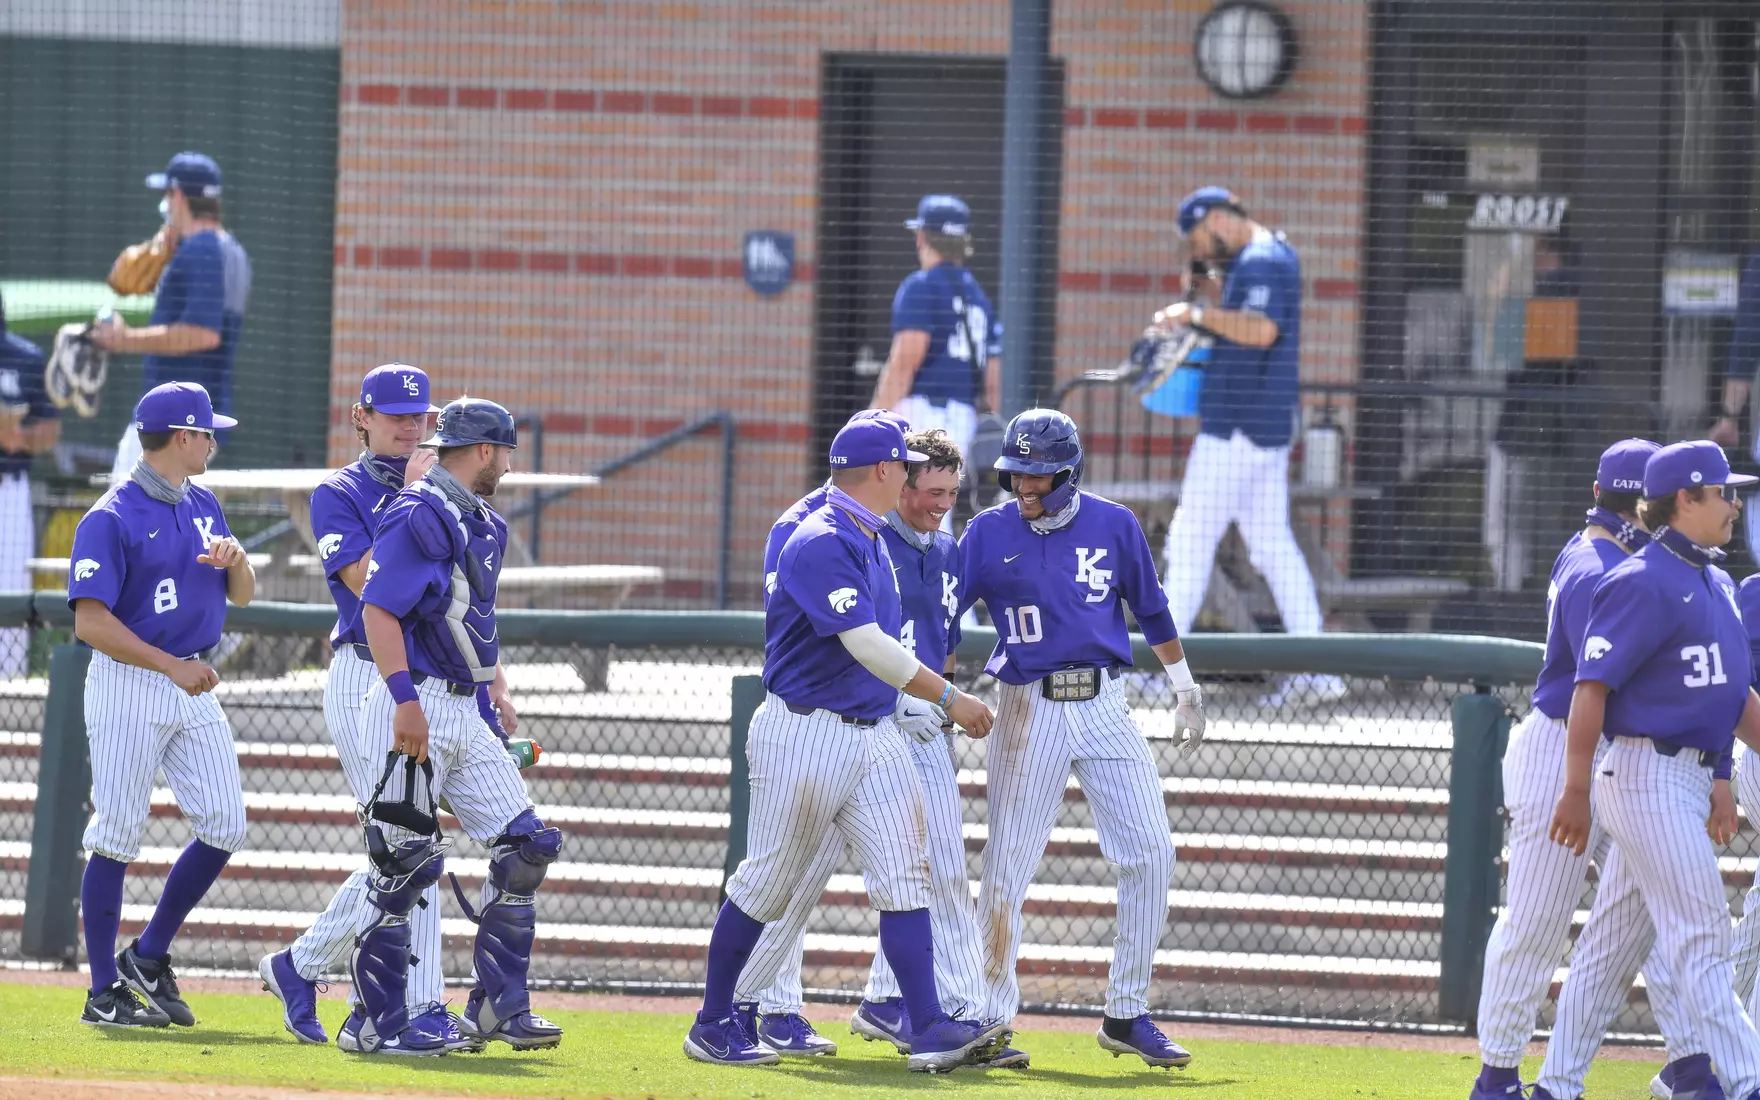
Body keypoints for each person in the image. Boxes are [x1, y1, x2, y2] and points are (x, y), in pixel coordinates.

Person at [685, 415, 1001, 1072]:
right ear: (884, 472)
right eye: (904, 465)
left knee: (906, 872)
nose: (912, 476)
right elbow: (867, 645)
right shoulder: (821, 537)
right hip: (805, 731)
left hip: (872, 732)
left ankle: (930, 1025)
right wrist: (948, 696)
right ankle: (715, 1022)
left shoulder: (871, 534)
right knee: (770, 880)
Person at [957, 408, 1205, 1068]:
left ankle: (1126, 1013)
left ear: (1069, 472)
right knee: (1007, 862)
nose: (1025, 487)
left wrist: (1183, 684)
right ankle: (987, 1016)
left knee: (1151, 853)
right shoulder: (986, 532)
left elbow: (1150, 607)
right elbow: (940, 612)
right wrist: (934, 687)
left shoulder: (1114, 523)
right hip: (1026, 705)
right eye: (1016, 474)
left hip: (1104, 702)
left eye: (1039, 476)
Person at [1468, 439, 1711, 1099]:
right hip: (1562, 755)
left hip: (1617, 756)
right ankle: (1496, 1075)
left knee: (1649, 913)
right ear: (1633, 504)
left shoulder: (1620, 558)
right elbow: (1598, 688)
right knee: (1538, 921)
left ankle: (1691, 1060)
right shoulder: (1594, 565)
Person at [258, 365, 466, 1048]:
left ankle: (304, 965)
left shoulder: (446, 490)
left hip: (430, 673)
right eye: (396, 415)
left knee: (405, 848)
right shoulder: (336, 492)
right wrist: (413, 502)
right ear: (362, 417)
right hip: (363, 673)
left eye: (420, 416)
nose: (410, 426)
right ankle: (418, 1006)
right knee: (410, 842)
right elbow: (364, 580)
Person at [347, 396, 563, 1055]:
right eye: (504, 450)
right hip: (412, 705)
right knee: (404, 866)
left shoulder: (484, 524)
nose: (508, 462)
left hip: (463, 706)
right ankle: (374, 1024)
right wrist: (404, 700)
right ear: (485, 451)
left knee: (527, 846)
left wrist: (493, 690)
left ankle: (496, 1007)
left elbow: (475, 624)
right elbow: (378, 613)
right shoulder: (419, 513)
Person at [1547, 439, 1760, 1100]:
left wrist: (1724, 780)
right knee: (1703, 938)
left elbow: (1731, 697)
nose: (1735, 503)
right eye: (1723, 492)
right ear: (1684, 500)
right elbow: (1590, 689)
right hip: (1645, 775)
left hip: (1689, 776)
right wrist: (1575, 789)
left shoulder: (1715, 580)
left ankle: (1554, 1087)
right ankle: (1749, 1079)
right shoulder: (1640, 579)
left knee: (1607, 952)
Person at [67, 382, 255, 1028]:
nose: (213, 442)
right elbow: (90, 623)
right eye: (208, 433)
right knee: (116, 834)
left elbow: (246, 595)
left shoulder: (204, 503)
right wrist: (171, 667)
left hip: (189, 678)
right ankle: (101, 994)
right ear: (182, 437)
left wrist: (238, 562)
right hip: (131, 680)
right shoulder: (110, 515)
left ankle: (147, 956)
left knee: (226, 823)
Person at [1152, 186, 1340, 706]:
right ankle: (1318, 673)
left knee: (1189, 541)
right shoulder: (1265, 256)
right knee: (1272, 546)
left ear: (1216, 218)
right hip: (1259, 427)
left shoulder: (1260, 260)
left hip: (1236, 429)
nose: (1202, 250)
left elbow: (1261, 330)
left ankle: (1165, 674)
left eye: (1199, 238)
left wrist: (1193, 314)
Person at [93, 152, 251, 484]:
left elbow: (203, 333)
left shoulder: (202, 248)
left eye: (167, 194)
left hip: (172, 421)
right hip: (196, 418)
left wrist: (124, 339)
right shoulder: (232, 251)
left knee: (125, 515)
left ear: (178, 196)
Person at [872, 194, 1002, 529]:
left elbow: (904, 363)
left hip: (920, 414)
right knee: (941, 514)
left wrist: (872, 422)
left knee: (903, 516)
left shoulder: (921, 287)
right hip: (963, 419)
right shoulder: (979, 297)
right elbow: (992, 383)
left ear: (922, 237)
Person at [0, 292, 60, 678]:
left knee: (10, 588)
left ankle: (9, 689)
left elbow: (51, 431)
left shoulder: (25, 356)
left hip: (9, 488)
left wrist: (17, 437)